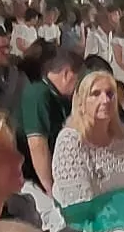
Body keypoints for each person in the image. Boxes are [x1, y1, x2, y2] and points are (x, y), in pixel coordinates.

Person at [50, 69, 124, 208]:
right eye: (95, 94)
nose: (105, 100)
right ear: (81, 103)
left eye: (110, 94)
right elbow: (79, 207)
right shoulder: (70, 141)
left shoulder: (122, 134)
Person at [15, 52, 79, 209]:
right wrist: (50, 189)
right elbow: (37, 144)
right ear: (66, 73)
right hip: (31, 179)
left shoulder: (60, 99)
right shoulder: (37, 93)